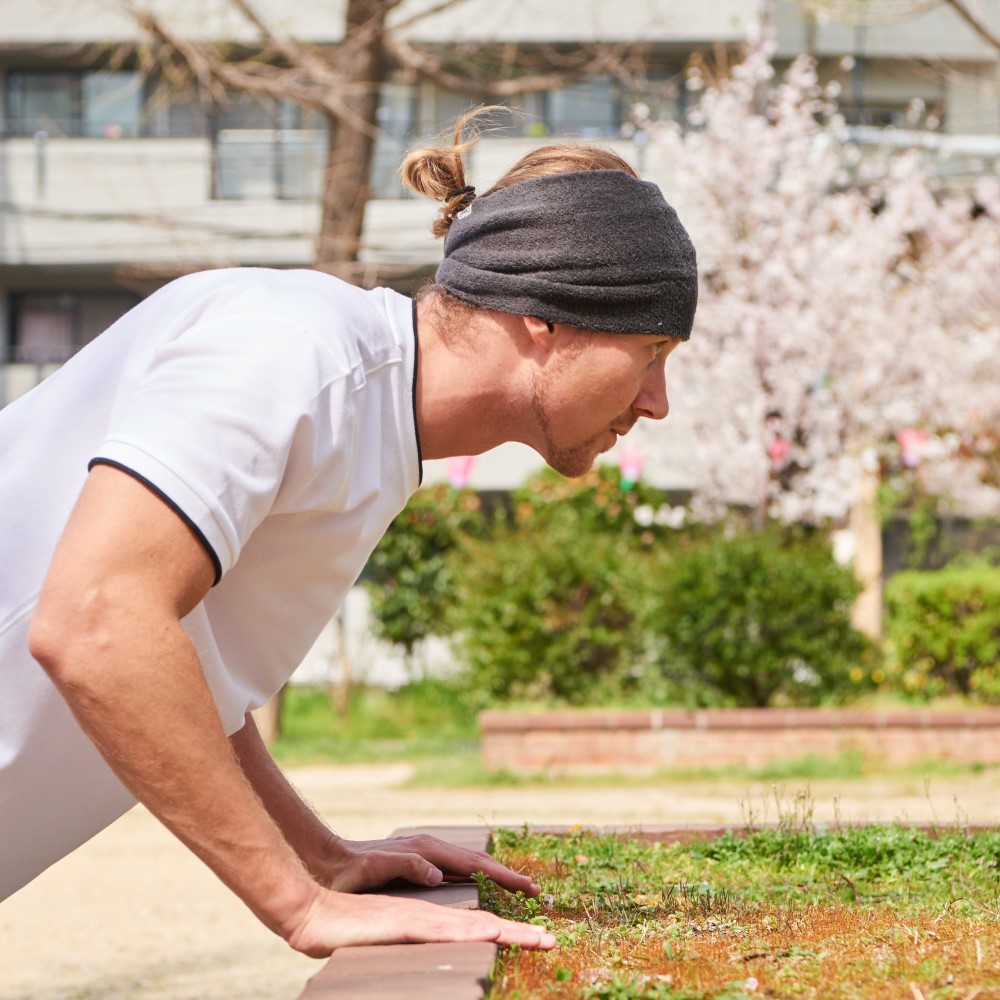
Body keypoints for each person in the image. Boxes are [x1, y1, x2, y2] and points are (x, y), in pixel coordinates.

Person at [0, 111, 697, 957]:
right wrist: (300, 907)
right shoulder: (290, 351)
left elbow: (185, 658)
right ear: (546, 316)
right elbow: (98, 620)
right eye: (652, 350)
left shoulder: (368, 417)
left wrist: (323, 858)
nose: (658, 401)